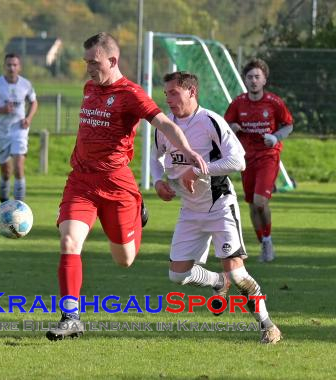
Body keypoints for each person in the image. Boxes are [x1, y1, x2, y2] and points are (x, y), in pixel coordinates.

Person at [46, 33, 208, 341]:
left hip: (117, 186)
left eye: (94, 63)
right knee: (69, 243)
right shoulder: (90, 87)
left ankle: (136, 209)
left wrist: (187, 150)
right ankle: (70, 317)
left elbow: (164, 123)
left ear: (112, 60)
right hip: (80, 181)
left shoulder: (132, 94)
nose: (89, 69)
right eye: (87, 63)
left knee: (125, 260)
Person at [151, 71, 282, 344]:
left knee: (237, 273)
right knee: (178, 275)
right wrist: (157, 181)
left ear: (191, 92)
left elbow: (239, 161)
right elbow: (157, 157)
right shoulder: (163, 126)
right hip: (189, 210)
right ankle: (216, 282)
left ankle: (268, 325)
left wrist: (199, 171)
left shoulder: (209, 120)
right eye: (166, 94)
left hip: (220, 205)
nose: (169, 99)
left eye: (174, 93)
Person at [224, 58, 293, 263]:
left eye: (257, 77)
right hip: (246, 159)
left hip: (268, 157)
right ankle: (264, 242)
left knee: (260, 202)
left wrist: (276, 137)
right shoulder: (238, 103)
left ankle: (268, 240)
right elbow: (225, 124)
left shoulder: (274, 103)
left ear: (264, 80)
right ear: (245, 80)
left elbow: (288, 125)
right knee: (252, 206)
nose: (253, 81)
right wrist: (232, 128)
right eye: (250, 77)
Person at [0, 53, 38, 203]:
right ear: (4, 66)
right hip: (1, 131)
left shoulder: (26, 84)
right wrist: (1, 110)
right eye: (9, 65)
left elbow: (34, 102)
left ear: (20, 67)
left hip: (19, 130)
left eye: (15, 65)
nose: (12, 68)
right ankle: (4, 204)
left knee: (19, 168)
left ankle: (19, 207)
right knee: (6, 172)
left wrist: (29, 118)